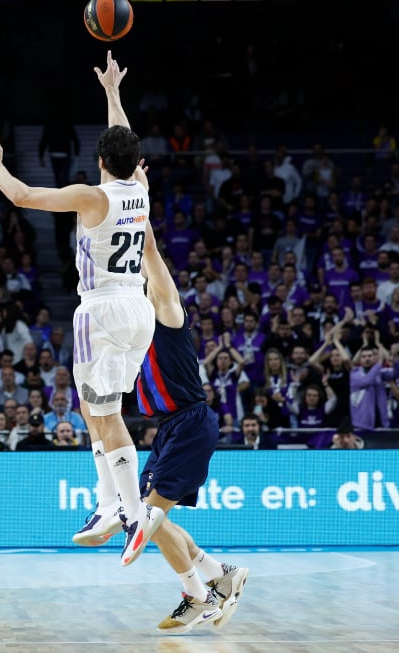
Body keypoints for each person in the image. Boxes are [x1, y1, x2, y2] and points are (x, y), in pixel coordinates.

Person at [0, 51, 156, 564]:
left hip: (101, 310)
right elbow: (124, 142)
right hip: (137, 308)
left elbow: (24, 196)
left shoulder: (91, 196)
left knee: (105, 413)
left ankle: (134, 512)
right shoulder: (140, 187)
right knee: (96, 411)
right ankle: (106, 504)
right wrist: (113, 93)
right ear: (131, 161)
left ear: (99, 161)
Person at [131, 224, 249, 633]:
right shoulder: (135, 335)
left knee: (146, 516)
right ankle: (220, 574)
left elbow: (153, 263)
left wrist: (137, 208)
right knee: (147, 515)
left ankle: (197, 595)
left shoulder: (167, 314)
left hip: (191, 422)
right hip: (169, 428)